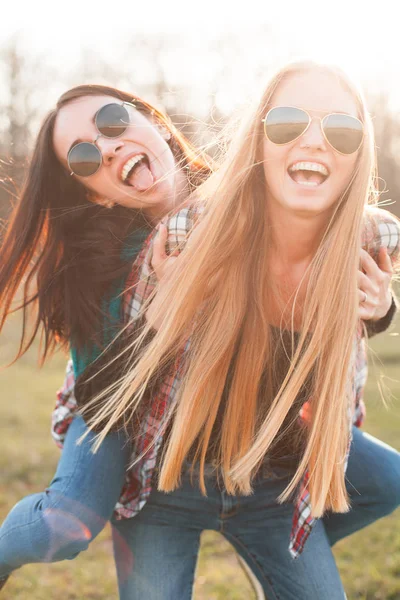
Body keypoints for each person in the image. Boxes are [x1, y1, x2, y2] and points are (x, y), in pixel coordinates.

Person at [0, 73, 398, 599]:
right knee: (64, 521)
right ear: (93, 194)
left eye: (114, 121)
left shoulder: (254, 193)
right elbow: (98, 401)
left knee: (384, 480)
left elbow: (307, 287)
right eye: (85, 158)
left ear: (155, 123)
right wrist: (159, 317)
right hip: (128, 429)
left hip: (250, 447)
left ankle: (275, 550)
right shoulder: (102, 266)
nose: (109, 144)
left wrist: (378, 310)